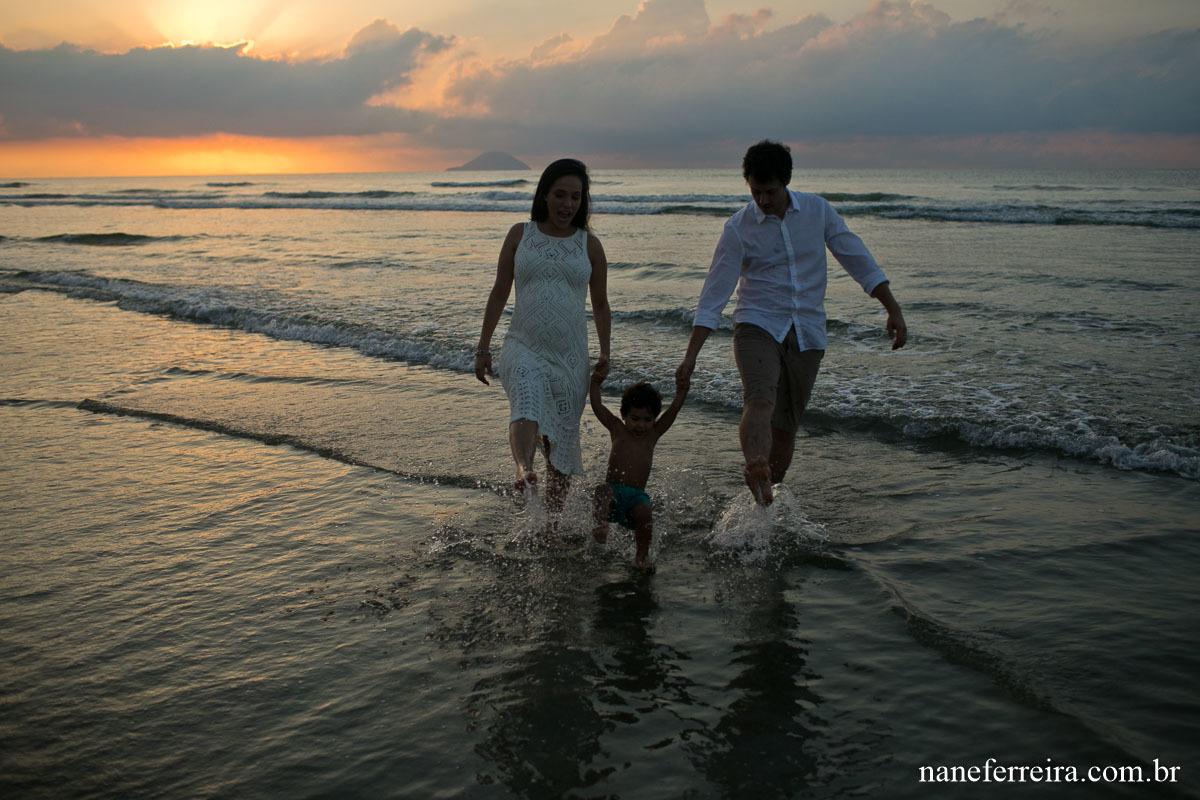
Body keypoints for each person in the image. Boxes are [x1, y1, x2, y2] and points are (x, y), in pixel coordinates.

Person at [676, 140, 907, 505]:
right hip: (757, 323)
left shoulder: (818, 211)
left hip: (808, 331)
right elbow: (714, 295)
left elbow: (856, 256)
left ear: (786, 182)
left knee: (785, 427)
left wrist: (891, 308)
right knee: (759, 400)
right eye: (755, 192)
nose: (763, 200)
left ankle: (764, 499)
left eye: (770, 191)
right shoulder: (738, 228)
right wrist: (691, 355)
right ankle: (755, 466)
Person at [475, 158, 612, 520]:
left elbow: (600, 304)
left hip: (570, 357)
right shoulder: (521, 234)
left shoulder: (590, 245)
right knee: (527, 400)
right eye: (560, 195)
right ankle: (523, 468)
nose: (568, 204)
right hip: (523, 345)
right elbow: (499, 291)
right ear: (544, 195)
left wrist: (606, 353)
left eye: (576, 197)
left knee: (561, 443)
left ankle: (549, 526)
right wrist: (483, 347)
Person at [588, 361, 689, 571]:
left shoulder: (653, 434)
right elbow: (597, 406)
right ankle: (600, 526)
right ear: (624, 415)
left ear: (654, 419)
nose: (641, 425)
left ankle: (641, 556)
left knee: (645, 512)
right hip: (614, 493)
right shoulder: (617, 428)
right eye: (634, 418)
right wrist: (596, 382)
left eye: (647, 419)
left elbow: (672, 412)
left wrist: (681, 391)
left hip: (636, 497)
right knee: (602, 491)